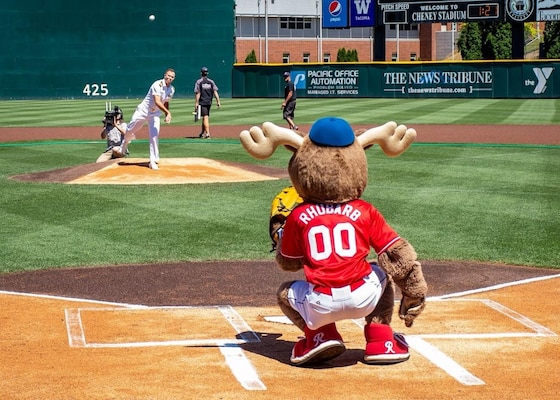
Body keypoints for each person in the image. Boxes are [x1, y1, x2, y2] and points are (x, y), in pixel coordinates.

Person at [120, 68, 176, 170]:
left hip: (154, 114)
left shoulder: (171, 89)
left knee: (154, 136)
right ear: (165, 75)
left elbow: (166, 102)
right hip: (143, 111)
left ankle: (152, 160)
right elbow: (157, 101)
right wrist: (168, 112)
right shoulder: (157, 84)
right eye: (168, 76)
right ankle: (125, 142)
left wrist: (166, 114)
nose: (170, 78)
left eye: (172, 77)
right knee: (130, 130)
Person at [194, 66, 221, 138]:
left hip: (202, 102)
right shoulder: (211, 82)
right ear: (207, 73)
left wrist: (196, 103)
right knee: (204, 117)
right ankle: (202, 132)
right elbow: (215, 92)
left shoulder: (199, 82)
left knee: (205, 117)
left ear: (201, 73)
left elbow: (198, 93)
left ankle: (208, 133)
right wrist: (218, 101)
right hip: (209, 102)